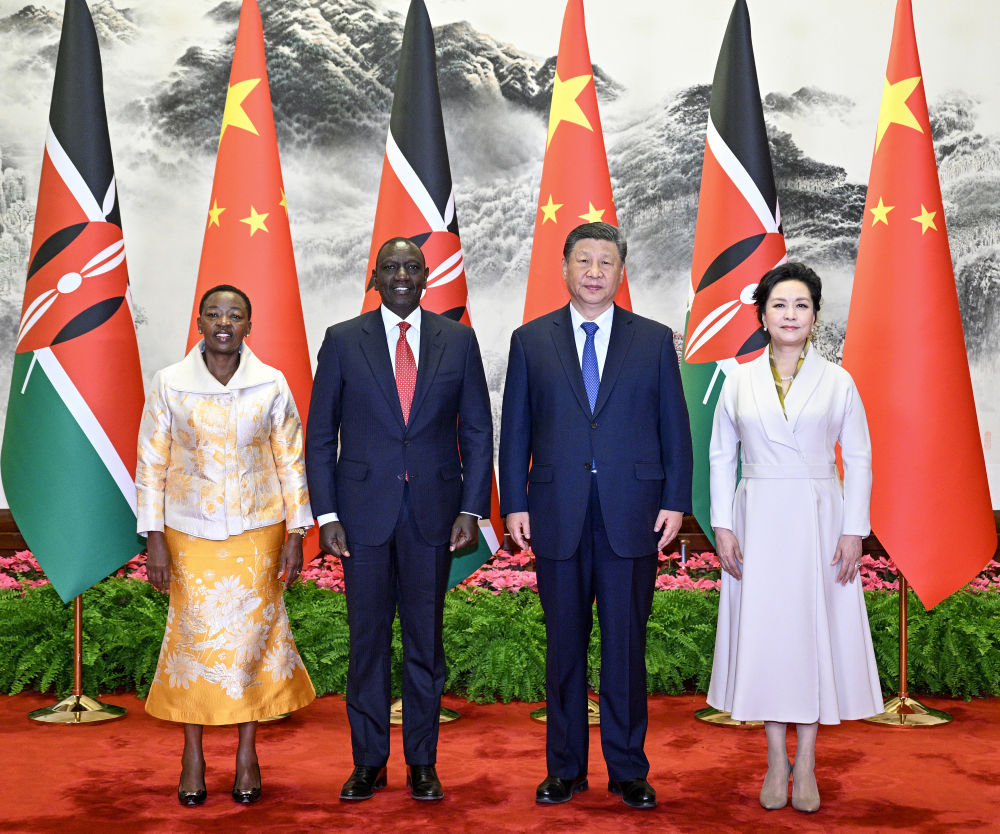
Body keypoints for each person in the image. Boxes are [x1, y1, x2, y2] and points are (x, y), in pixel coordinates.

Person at [499, 221, 693, 810]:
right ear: (565, 268)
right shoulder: (531, 340)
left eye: (605, 262)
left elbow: (674, 429)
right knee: (564, 646)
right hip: (555, 514)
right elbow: (515, 430)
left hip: (631, 516)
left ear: (620, 271)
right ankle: (565, 768)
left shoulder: (653, 340)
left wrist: (675, 500)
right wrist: (514, 503)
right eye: (583, 261)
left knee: (625, 647)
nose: (593, 272)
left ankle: (628, 769)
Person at [305, 237, 493, 802]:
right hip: (360, 519)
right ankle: (368, 763)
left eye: (412, 266)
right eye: (391, 267)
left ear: (427, 275)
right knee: (367, 644)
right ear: (376, 276)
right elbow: (320, 437)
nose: (402, 275)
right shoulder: (343, 340)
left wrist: (471, 508)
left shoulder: (458, 340)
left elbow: (477, 432)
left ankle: (422, 763)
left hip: (433, 517)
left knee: (424, 645)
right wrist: (327, 514)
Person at [706, 262, 883, 813]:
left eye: (801, 305)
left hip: (819, 519)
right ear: (762, 315)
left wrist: (854, 530)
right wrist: (722, 525)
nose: (790, 315)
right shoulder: (738, 380)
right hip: (757, 518)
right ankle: (775, 759)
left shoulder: (839, 381)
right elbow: (721, 457)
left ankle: (805, 760)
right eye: (779, 305)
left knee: (811, 634)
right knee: (768, 636)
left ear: (815, 316)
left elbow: (859, 458)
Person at [137, 285, 316, 807]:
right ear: (199, 323)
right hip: (188, 532)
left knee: (250, 645)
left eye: (234, 315)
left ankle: (246, 755)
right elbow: (151, 463)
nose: (223, 322)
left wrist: (296, 533)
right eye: (214, 313)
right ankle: (192, 755)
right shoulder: (170, 382)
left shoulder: (271, 383)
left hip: (258, 531)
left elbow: (290, 461)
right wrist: (154, 538)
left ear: (248, 326)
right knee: (194, 642)